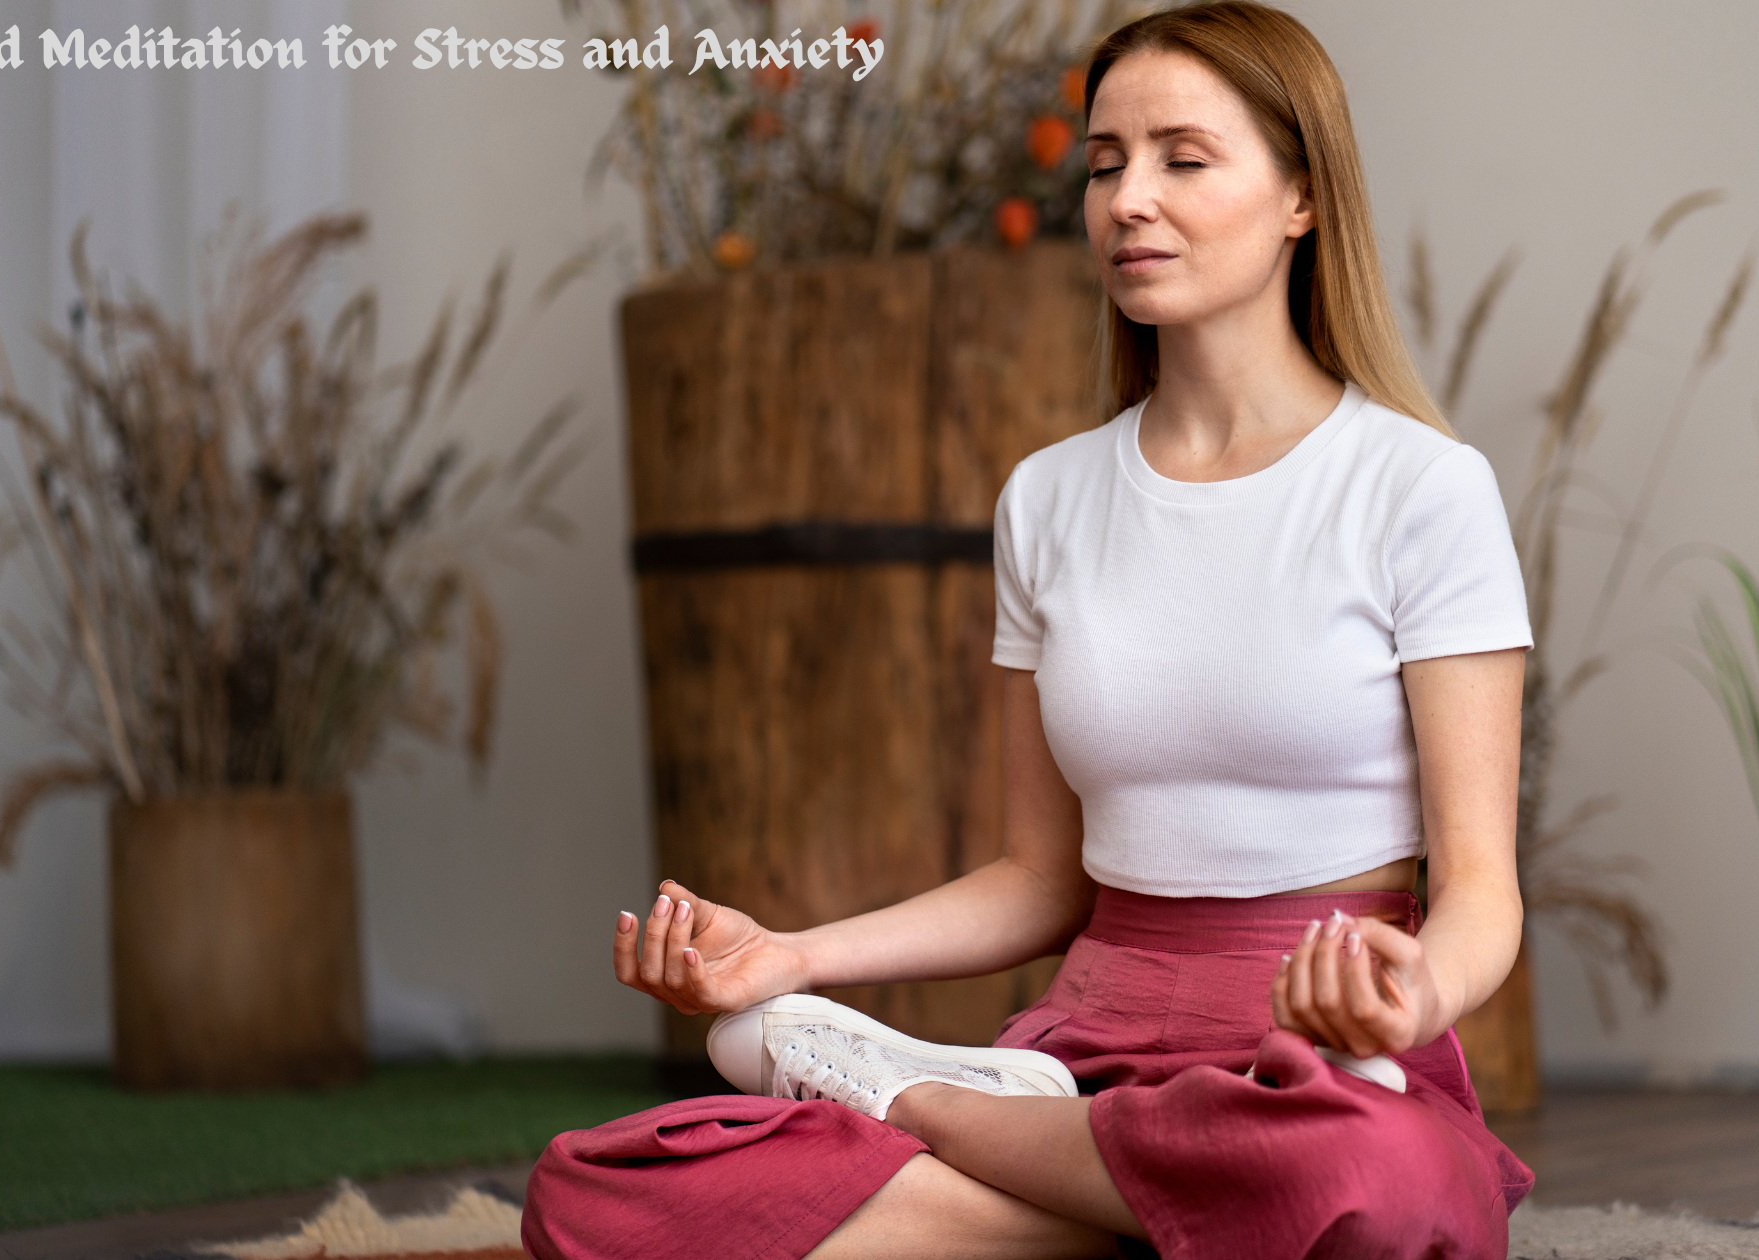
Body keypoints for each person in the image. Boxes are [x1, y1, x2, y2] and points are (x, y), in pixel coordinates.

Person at [523, 3, 1538, 1256]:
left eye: (1182, 156)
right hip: (1086, 1052)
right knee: (600, 1186)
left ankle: (921, 1106)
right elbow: (1038, 881)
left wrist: (1410, 995)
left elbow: (1482, 893)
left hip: (1315, 1062)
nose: (1126, 200)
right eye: (1104, 164)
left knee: (1368, 1176)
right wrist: (786, 958)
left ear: (1300, 199)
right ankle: (1128, 1201)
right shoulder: (1048, 498)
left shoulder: (1420, 489)